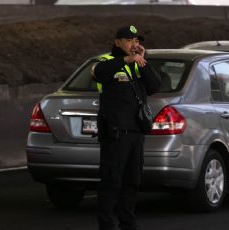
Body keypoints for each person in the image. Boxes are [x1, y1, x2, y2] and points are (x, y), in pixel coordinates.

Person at [91, 25, 161, 230]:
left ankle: (128, 223)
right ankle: (106, 225)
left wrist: (143, 62)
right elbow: (98, 73)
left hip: (136, 133)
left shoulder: (138, 64)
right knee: (111, 182)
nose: (134, 44)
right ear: (118, 42)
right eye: (130, 40)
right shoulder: (106, 62)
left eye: (137, 41)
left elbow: (154, 86)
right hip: (116, 133)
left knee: (132, 181)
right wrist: (125, 60)